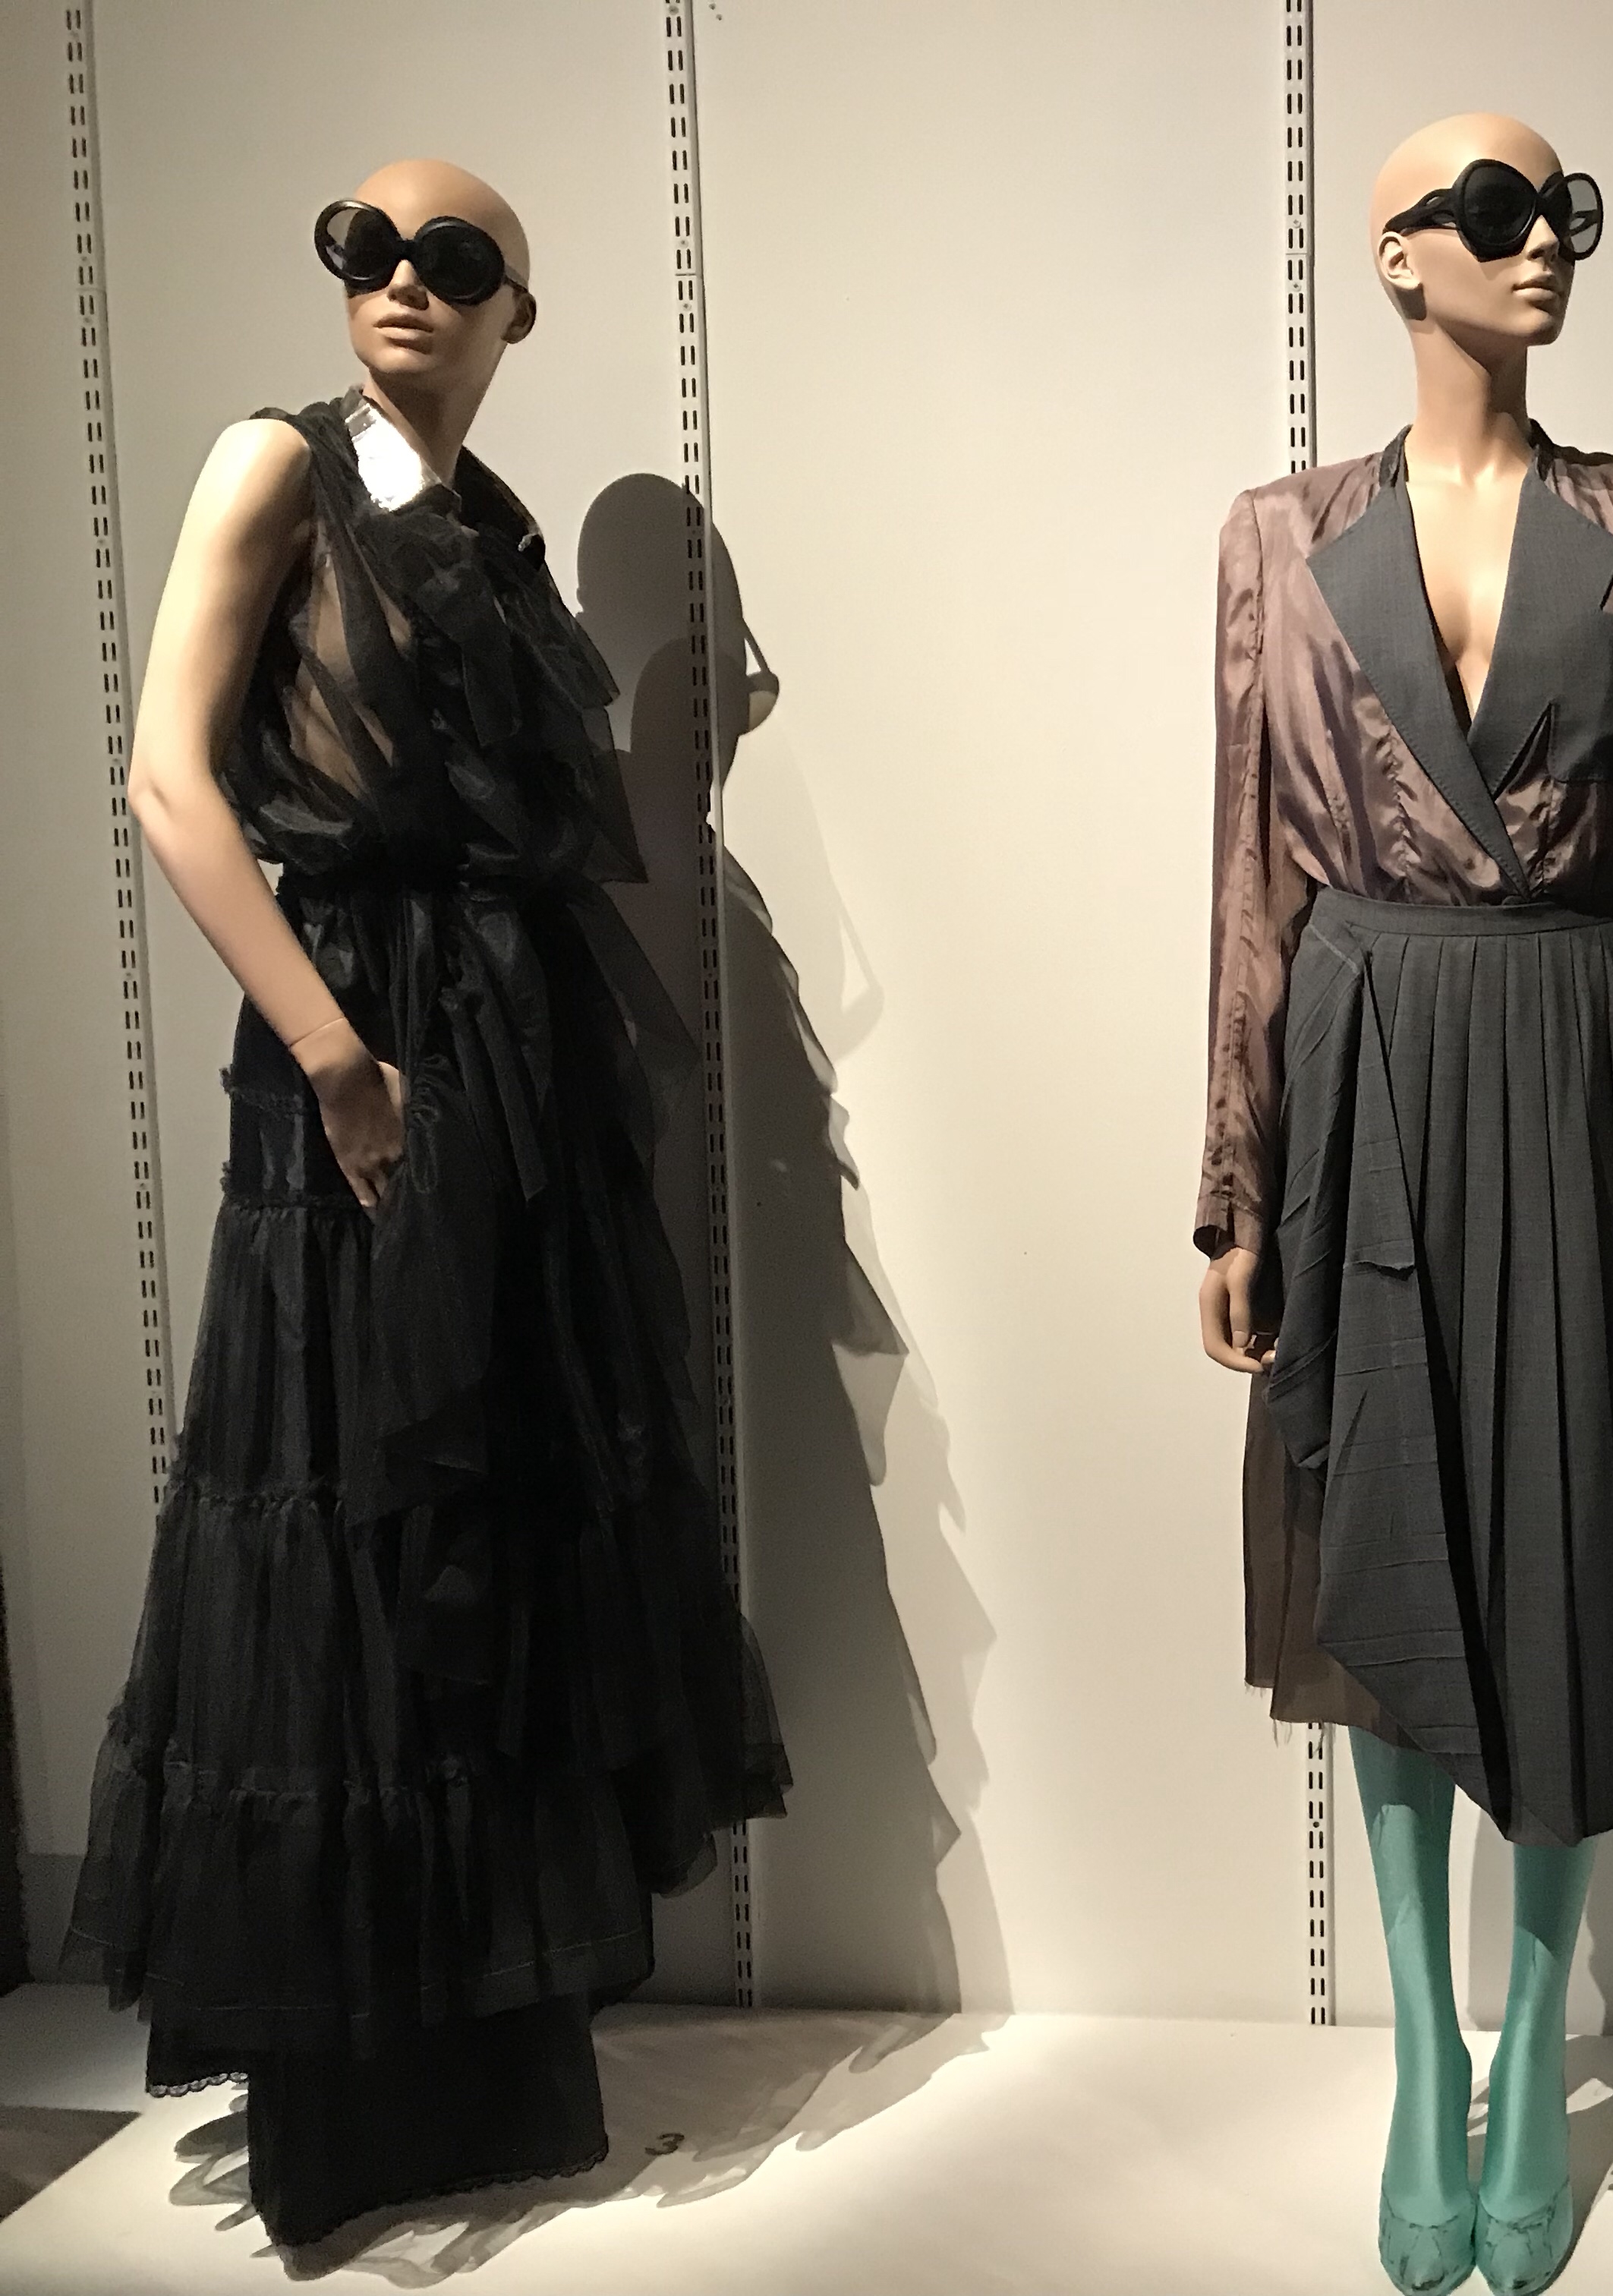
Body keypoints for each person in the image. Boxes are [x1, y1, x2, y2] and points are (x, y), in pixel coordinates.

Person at [62, 159, 786, 2250]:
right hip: (358, 1027)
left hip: (502, 1051)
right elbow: (172, 780)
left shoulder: (492, 529)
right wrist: (330, 1055)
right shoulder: (278, 465)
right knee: (355, 1498)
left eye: (453, 260)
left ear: (514, 312)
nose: (401, 282)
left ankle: (492, 2059)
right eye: (363, 247)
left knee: (503, 1506)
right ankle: (355, 2092)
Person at [1195, 112, 1613, 2296]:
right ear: (1399, 255)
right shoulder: (1278, 536)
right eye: (1501, 215)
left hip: (1582, 1065)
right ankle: (1429, 2043)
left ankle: (1536, 2050)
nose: (1547, 249)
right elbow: (1250, 865)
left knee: (1571, 1552)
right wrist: (1234, 1186)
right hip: (1364, 1069)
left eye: (1567, 212)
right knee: (1389, 1543)